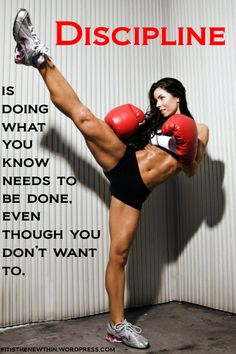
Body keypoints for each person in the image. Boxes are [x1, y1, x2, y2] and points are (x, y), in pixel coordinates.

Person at [12, 9, 209, 350]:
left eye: (163, 97)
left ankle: (115, 327)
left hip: (134, 192)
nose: (157, 103)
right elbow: (136, 142)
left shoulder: (197, 129)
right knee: (85, 118)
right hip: (125, 163)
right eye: (155, 98)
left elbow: (190, 169)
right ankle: (39, 56)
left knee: (119, 256)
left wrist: (188, 147)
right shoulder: (154, 125)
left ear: (178, 97)